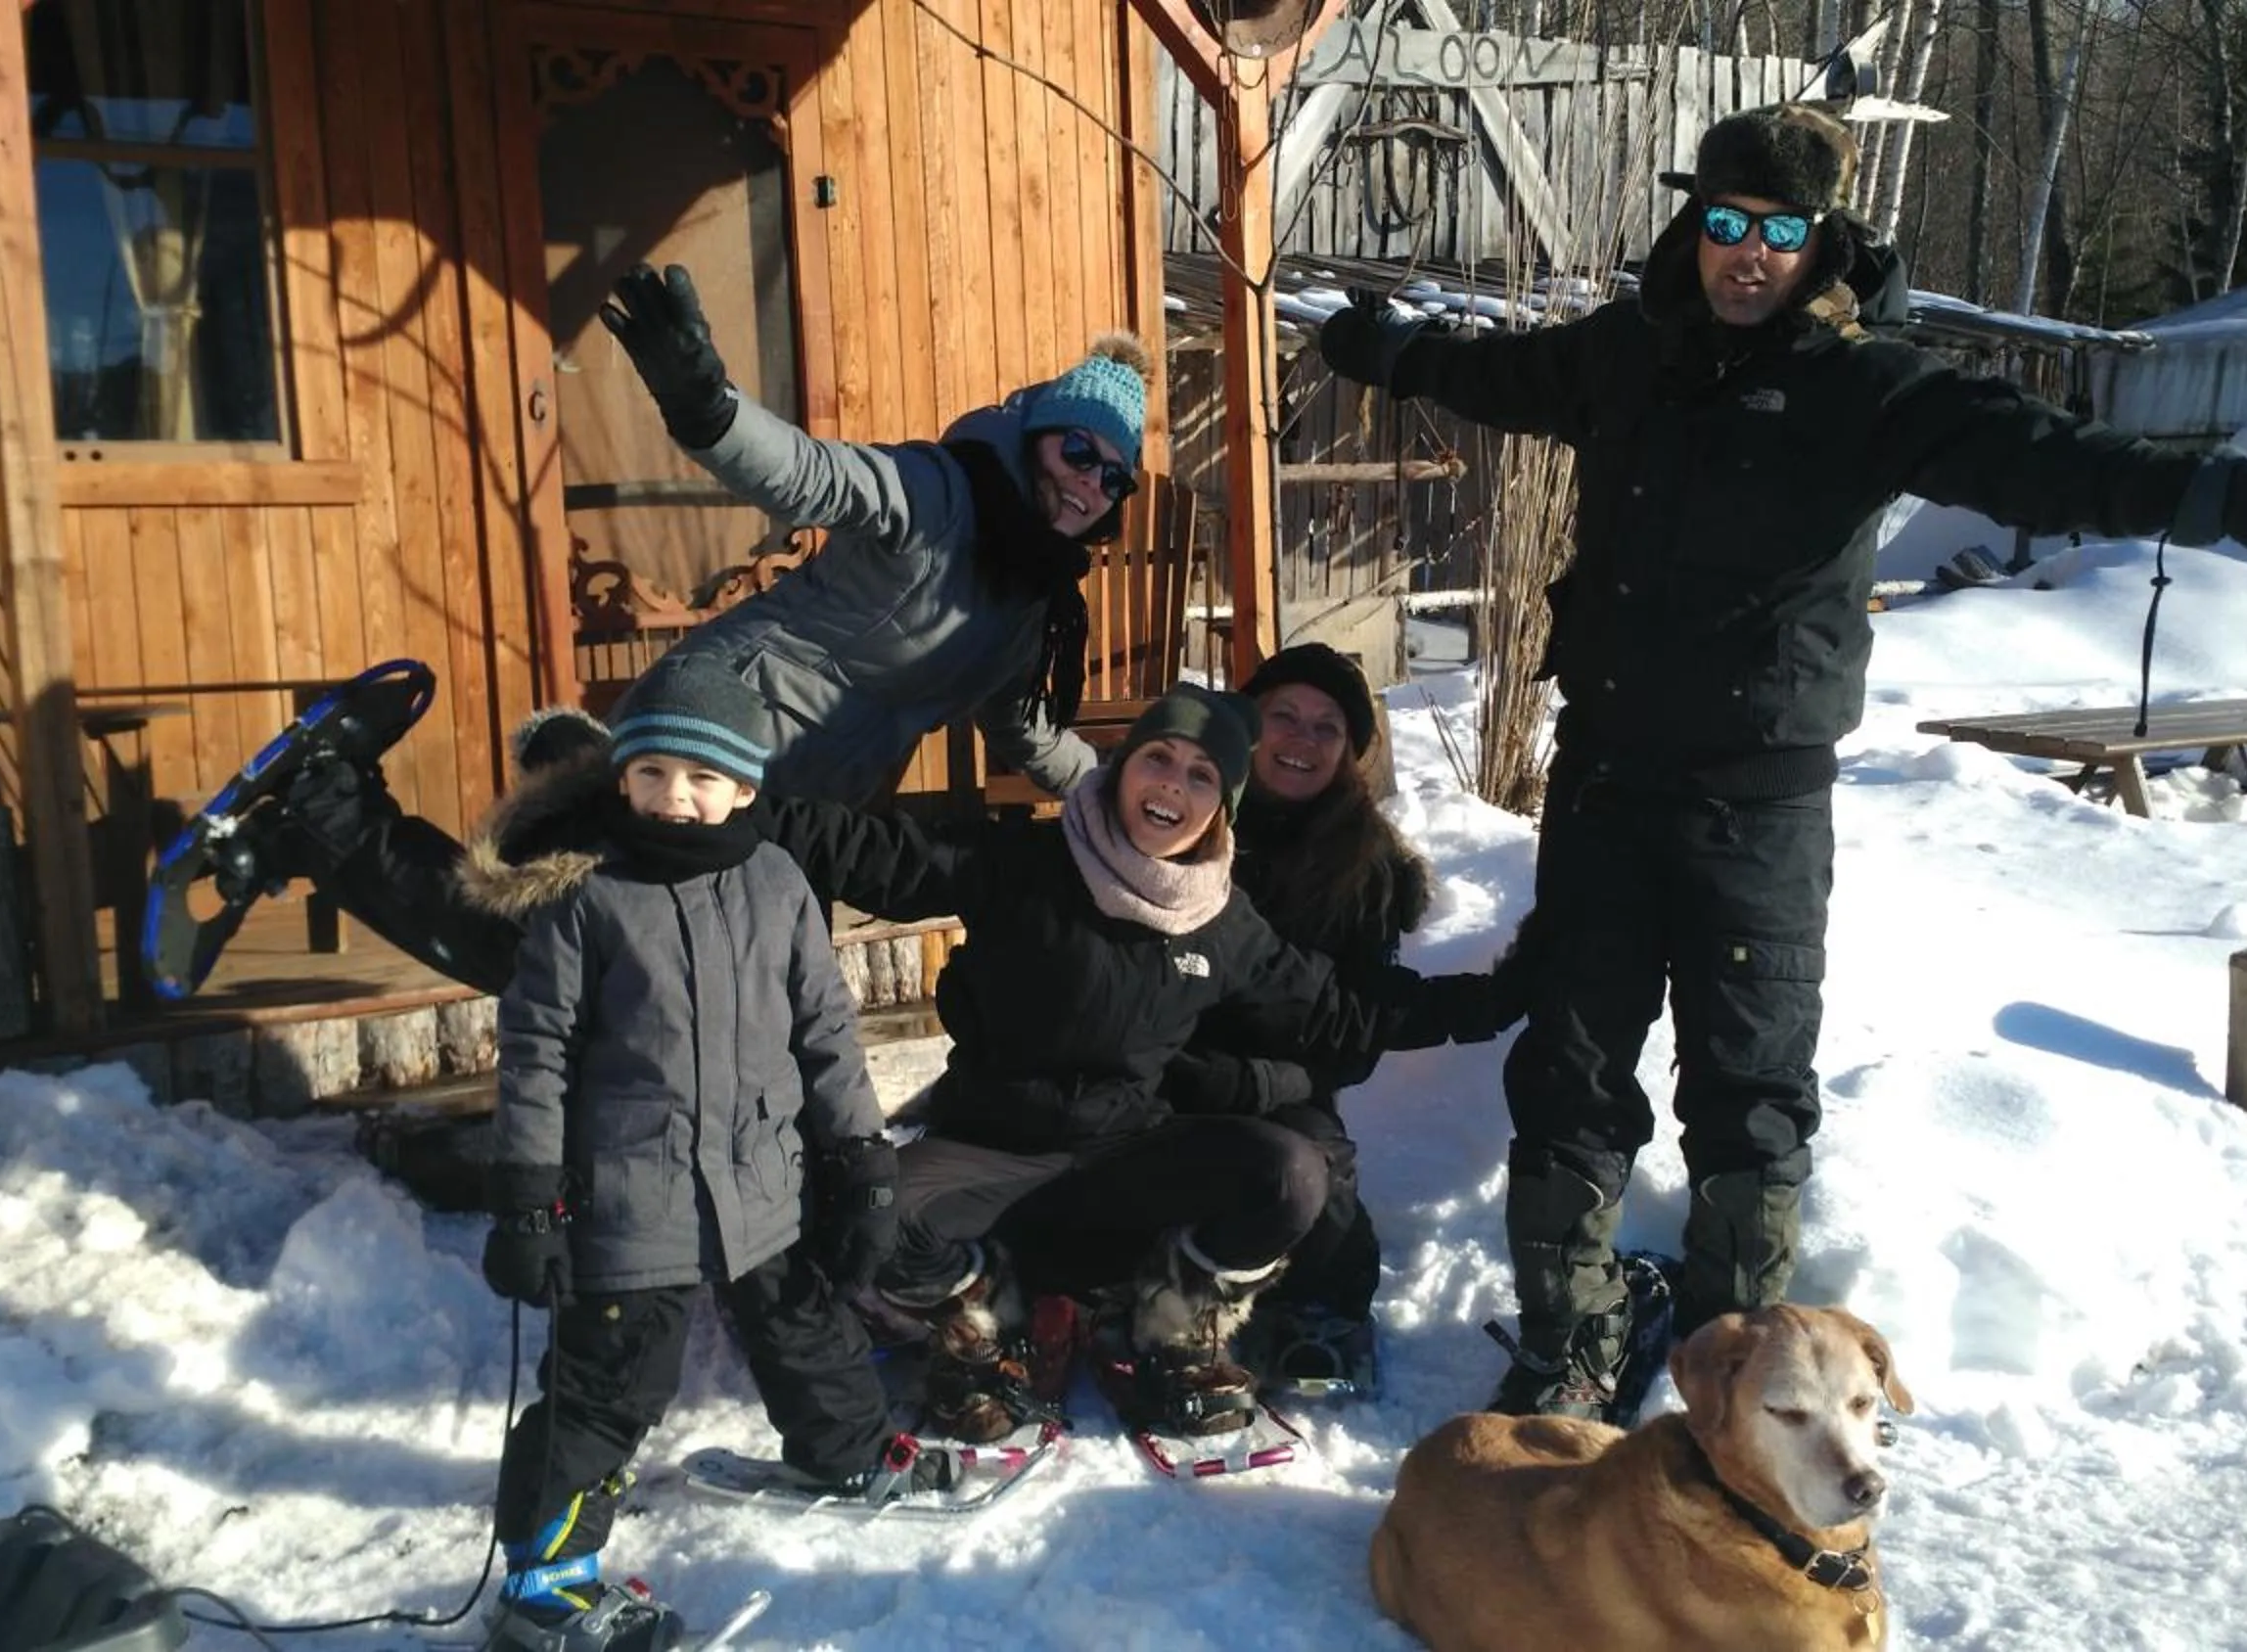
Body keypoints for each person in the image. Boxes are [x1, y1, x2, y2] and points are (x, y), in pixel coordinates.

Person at [1315, 103, 2247, 1420]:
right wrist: (1388, 349)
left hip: (1760, 804)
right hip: (1606, 783)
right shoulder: (1629, 355)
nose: (1749, 256)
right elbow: (1503, 375)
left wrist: (2229, 498)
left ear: (1821, 239)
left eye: (1781, 233)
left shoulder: (1868, 388)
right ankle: (1569, 1337)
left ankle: (1732, 1368)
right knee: (1572, 1064)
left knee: (1750, 1085)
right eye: (1727, 224)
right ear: (1694, 221)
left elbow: (2049, 462)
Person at [204, 261, 1156, 996]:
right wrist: (706, 405)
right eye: (1077, 450)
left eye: (1113, 476)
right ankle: (324, 815)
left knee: (757, 993)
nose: (1087, 483)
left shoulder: (1032, 599)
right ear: (1036, 433)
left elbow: (1024, 728)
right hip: (718, 730)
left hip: (805, 808)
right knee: (572, 949)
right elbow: (804, 473)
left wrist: (1135, 801)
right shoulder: (937, 491)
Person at [755, 685, 1517, 1441]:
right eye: (1159, 758)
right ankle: (985, 1320)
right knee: (860, 1218)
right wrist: (722, 805)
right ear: (1121, 769)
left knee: (1292, 1173)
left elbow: (1338, 1011)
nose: (1172, 785)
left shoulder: (1222, 921)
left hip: (1121, 1168)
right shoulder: (1024, 862)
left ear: (1221, 806)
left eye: (1201, 776)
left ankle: (1171, 1324)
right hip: (988, 1159)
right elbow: (871, 855)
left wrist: (1499, 998)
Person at [467, 658, 953, 1652]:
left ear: (743, 785)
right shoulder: (588, 896)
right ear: (622, 779)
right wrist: (526, 1196)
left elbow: (825, 1026)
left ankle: (846, 1453)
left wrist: (860, 1156)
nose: (674, 798)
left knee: (804, 1322)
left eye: (701, 777)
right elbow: (535, 1054)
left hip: (764, 1177)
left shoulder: (776, 878)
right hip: (628, 1196)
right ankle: (546, 1578)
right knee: (609, 1381)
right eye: (652, 774)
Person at [1162, 643, 1430, 1389]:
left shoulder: (1369, 871)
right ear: (1248, 727)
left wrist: (1254, 1081)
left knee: (1319, 1174)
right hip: (1149, 1065)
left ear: (1350, 754)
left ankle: (1319, 1314)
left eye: (1327, 728)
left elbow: (1354, 1042)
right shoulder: (1183, 814)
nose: (1302, 741)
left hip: (1281, 1085)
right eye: (1285, 717)